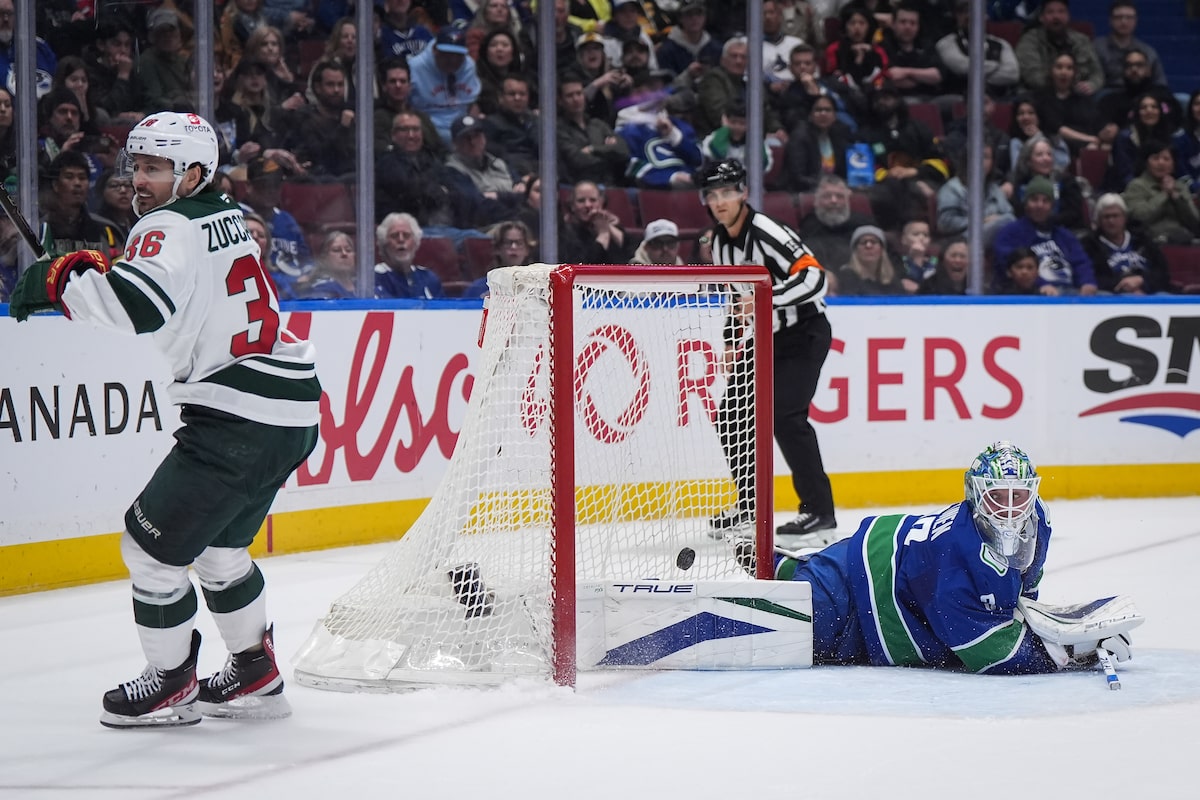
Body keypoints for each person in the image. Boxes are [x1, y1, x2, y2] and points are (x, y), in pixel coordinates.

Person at [7, 111, 320, 727]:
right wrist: (86, 270)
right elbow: (166, 286)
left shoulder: (167, 226)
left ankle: (171, 684)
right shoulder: (221, 213)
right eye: (136, 167)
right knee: (220, 551)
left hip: (236, 418)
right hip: (289, 410)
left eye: (154, 169)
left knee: (149, 551)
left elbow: (136, 306)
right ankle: (255, 673)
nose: (138, 181)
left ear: (194, 173)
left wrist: (60, 280)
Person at [735, 442, 1134, 676]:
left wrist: (1035, 617)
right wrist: (1075, 654)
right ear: (975, 494)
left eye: (1020, 496)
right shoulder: (957, 558)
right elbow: (989, 654)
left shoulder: (1039, 518)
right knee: (795, 625)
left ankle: (789, 564)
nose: (1012, 509)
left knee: (815, 579)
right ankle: (778, 568)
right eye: (999, 496)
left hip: (884, 559)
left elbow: (1025, 587)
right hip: (863, 597)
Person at [700, 159, 837, 543]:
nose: (720, 201)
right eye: (713, 195)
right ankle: (749, 506)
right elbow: (735, 297)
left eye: (727, 192)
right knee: (730, 414)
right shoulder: (718, 243)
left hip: (805, 332)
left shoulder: (765, 231)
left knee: (786, 415)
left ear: (742, 192)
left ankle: (819, 511)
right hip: (768, 339)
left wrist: (767, 300)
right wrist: (730, 342)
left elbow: (814, 276)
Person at [992, 175, 1098, 295]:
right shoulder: (1010, 233)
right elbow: (1009, 265)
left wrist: (1087, 282)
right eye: (1034, 199)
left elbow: (1081, 262)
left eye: (1045, 201)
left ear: (1052, 206)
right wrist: (1041, 285)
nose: (1040, 205)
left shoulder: (1064, 235)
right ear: (1026, 203)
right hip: (1034, 294)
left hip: (1072, 293)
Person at [1080, 193, 1170, 295]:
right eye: (1106, 217)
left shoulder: (1143, 240)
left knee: (1166, 297)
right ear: (1099, 220)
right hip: (1115, 294)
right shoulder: (1089, 244)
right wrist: (1124, 285)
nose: (1111, 221)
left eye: (1115, 215)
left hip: (1149, 291)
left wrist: (1142, 281)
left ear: (1124, 217)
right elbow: (1092, 278)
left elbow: (1163, 273)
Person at [408, 22, 482, 146]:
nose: (452, 60)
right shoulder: (415, 68)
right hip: (429, 126)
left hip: (462, 124)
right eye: (447, 55)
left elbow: (472, 104)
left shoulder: (469, 66)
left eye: (458, 55)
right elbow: (406, 107)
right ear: (435, 50)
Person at [1014, 0, 1103, 96]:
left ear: (1068, 16)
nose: (1056, 16)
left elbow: (1097, 72)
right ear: (1041, 17)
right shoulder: (1029, 40)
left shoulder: (1082, 40)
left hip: (1078, 95)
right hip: (1041, 94)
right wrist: (1065, 87)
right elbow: (1032, 76)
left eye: (1061, 11)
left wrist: (1092, 84)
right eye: (1050, 12)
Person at [936, 142, 1016, 248]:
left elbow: (1009, 215)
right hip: (962, 239)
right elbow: (945, 223)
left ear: (992, 162)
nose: (980, 161)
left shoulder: (994, 189)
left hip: (993, 237)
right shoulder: (952, 188)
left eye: (986, 157)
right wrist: (980, 220)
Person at [935, 0, 1020, 99]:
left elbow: (1013, 74)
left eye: (974, 11)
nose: (969, 16)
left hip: (998, 98)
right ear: (956, 16)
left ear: (985, 16)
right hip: (960, 97)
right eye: (963, 12)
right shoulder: (946, 43)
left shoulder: (1001, 44)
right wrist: (996, 66)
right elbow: (963, 67)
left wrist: (977, 76)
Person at [556, 76, 630, 186]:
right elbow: (577, 160)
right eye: (570, 95)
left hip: (608, 186)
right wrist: (609, 153)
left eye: (579, 93)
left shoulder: (598, 124)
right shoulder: (558, 129)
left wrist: (593, 149)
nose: (576, 99)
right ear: (560, 101)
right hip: (576, 188)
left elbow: (623, 151)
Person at [1123, 139, 1200, 245]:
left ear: (1173, 165)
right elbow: (1139, 218)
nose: (1161, 163)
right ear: (1146, 162)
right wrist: (1164, 194)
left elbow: (1195, 223)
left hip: (1184, 240)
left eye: (1166, 159)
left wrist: (1176, 197)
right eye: (1155, 158)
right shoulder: (1136, 186)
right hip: (1151, 243)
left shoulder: (1180, 187)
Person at [797, 174, 873, 272]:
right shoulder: (808, 228)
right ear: (816, 201)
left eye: (840, 196)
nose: (834, 201)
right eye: (827, 196)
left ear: (847, 200)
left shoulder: (864, 225)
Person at [782, 94, 854, 193]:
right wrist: (829, 187)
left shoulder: (839, 135)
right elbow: (797, 178)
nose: (823, 114)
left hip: (832, 190)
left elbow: (842, 172)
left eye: (828, 110)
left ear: (835, 116)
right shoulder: (800, 136)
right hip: (803, 192)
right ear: (810, 115)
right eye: (818, 110)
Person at [1093, 1, 1167, 92]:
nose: (1124, 21)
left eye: (1129, 17)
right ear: (1110, 21)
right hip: (1106, 96)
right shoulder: (1096, 48)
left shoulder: (1147, 51)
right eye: (1118, 17)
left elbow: (1160, 84)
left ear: (1136, 21)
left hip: (1139, 97)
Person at [373, 211, 445, 299]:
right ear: (384, 243)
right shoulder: (374, 277)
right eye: (394, 236)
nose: (401, 239)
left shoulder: (428, 278)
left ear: (415, 243)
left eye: (406, 235)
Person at [463, 219, 534, 298]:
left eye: (519, 243)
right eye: (508, 242)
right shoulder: (479, 287)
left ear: (527, 249)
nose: (514, 247)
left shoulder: (537, 288)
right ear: (497, 249)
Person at [835, 224, 906, 296]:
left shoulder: (892, 280)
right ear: (856, 250)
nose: (868, 246)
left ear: (882, 250)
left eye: (874, 242)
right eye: (863, 242)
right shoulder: (846, 276)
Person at [300, 230, 358, 299]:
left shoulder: (364, 285)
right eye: (336, 250)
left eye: (348, 250)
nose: (344, 254)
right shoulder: (322, 289)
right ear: (324, 258)